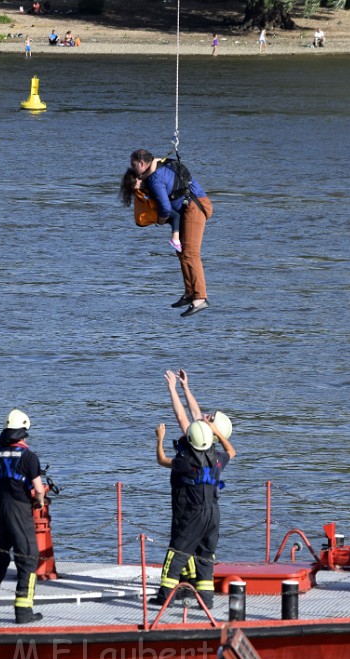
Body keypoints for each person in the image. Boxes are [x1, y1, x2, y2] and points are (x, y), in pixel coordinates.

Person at [151, 374, 235, 608]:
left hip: (188, 507)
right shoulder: (216, 456)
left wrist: (171, 388)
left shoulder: (189, 457)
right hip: (211, 512)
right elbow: (195, 414)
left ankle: (165, 596)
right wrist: (185, 387)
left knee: (178, 550)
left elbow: (182, 416)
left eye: (210, 418)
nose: (206, 416)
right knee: (204, 554)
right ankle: (203, 598)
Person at [0, 409, 47, 624]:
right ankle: (23, 612)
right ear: (23, 433)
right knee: (27, 559)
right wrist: (40, 502)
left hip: (0, 510)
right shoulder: (29, 456)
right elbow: (39, 489)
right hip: (20, 510)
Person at [126, 149, 214, 317]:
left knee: (190, 253)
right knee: (181, 252)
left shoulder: (155, 180)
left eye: (133, 164)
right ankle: (190, 293)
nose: (132, 168)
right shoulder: (160, 163)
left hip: (195, 207)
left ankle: (201, 298)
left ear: (142, 163)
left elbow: (165, 209)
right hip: (192, 206)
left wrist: (159, 221)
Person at [119, 167, 182, 253]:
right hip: (156, 211)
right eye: (135, 183)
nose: (138, 184)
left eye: (139, 180)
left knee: (174, 220)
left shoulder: (141, 188)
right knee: (176, 216)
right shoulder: (145, 188)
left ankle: (178, 236)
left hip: (152, 212)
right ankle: (175, 240)